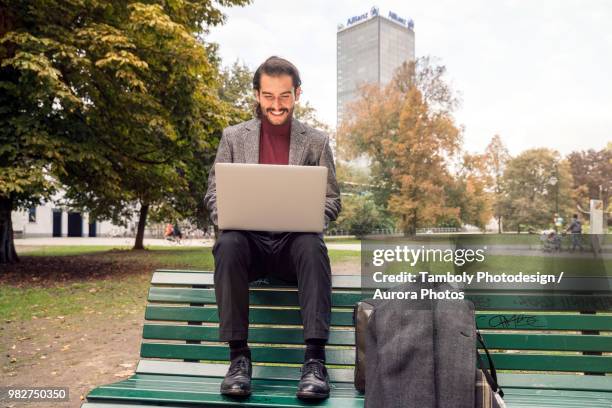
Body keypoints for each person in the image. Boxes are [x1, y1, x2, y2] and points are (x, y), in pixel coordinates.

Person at [203, 56, 341, 400]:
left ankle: (314, 361)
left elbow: (332, 198)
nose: (276, 105)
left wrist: (312, 216)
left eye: (284, 96)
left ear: (297, 94)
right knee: (229, 243)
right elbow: (213, 193)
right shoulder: (233, 137)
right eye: (268, 96)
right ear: (257, 95)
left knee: (312, 245)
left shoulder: (316, 141)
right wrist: (228, 215)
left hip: (292, 249)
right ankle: (238, 358)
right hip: (249, 248)